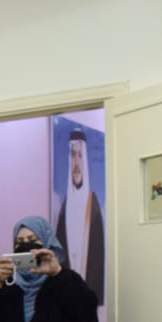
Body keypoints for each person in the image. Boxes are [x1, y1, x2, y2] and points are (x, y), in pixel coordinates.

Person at [54, 128, 105, 304]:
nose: (76, 162)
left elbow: (98, 258)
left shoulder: (92, 203)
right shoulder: (65, 207)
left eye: (80, 155)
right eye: (73, 155)